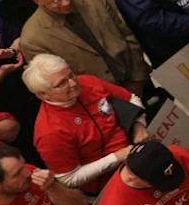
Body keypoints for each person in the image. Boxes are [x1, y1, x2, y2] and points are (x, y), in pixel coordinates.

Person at [23, 55, 143, 195]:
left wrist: (138, 124)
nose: (73, 83)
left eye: (71, 75)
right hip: (111, 182)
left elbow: (131, 98)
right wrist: (117, 157)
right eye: (62, 83)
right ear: (44, 95)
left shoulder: (87, 81)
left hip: (137, 150)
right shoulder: (49, 131)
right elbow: (69, 178)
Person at [15, 0, 147, 87]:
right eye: (56, 1)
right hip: (99, 97)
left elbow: (127, 35)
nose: (66, 3)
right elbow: (57, 83)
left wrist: (138, 79)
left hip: (134, 77)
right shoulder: (33, 39)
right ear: (38, 1)